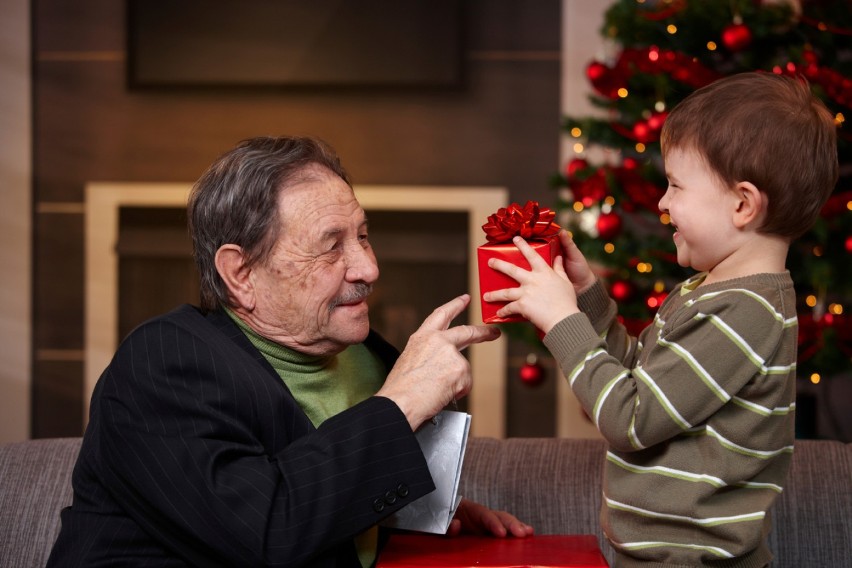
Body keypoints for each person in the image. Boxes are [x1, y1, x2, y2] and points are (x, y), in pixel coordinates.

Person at [48, 136, 533, 568]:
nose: (368, 267)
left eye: (362, 236)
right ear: (240, 274)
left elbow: (328, 496)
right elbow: (264, 533)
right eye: (331, 247)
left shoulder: (363, 357)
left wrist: (415, 517)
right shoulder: (163, 365)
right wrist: (402, 402)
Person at [483, 72, 838, 566]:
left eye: (675, 185)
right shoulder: (708, 291)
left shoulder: (745, 314)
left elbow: (630, 419)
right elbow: (641, 380)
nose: (663, 202)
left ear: (742, 204)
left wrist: (563, 322)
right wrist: (588, 300)